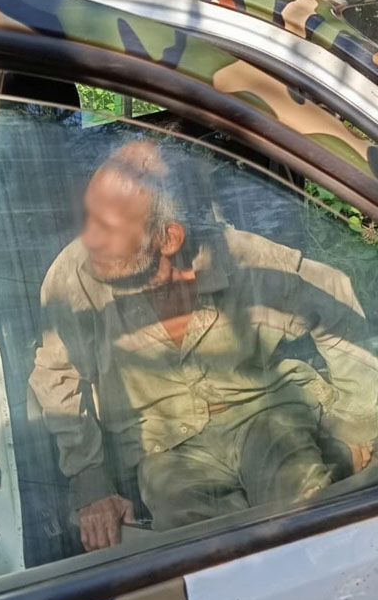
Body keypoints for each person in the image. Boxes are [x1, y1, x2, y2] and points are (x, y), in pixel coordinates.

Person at [30, 141, 378, 552]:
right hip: (162, 445)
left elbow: (337, 309)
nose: (89, 238)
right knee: (197, 552)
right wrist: (91, 482)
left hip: (266, 414)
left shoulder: (245, 260)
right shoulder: (71, 281)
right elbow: (57, 377)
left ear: (168, 238)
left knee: (311, 523)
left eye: (108, 226)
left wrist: (354, 426)